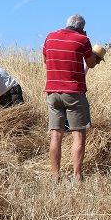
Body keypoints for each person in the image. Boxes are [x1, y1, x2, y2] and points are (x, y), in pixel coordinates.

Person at [43, 14, 97, 184]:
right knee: (78, 135)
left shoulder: (49, 38)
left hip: (52, 92)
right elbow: (91, 63)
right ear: (81, 28)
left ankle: (55, 176)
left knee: (55, 135)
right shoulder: (82, 40)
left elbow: (46, 60)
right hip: (74, 91)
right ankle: (76, 175)